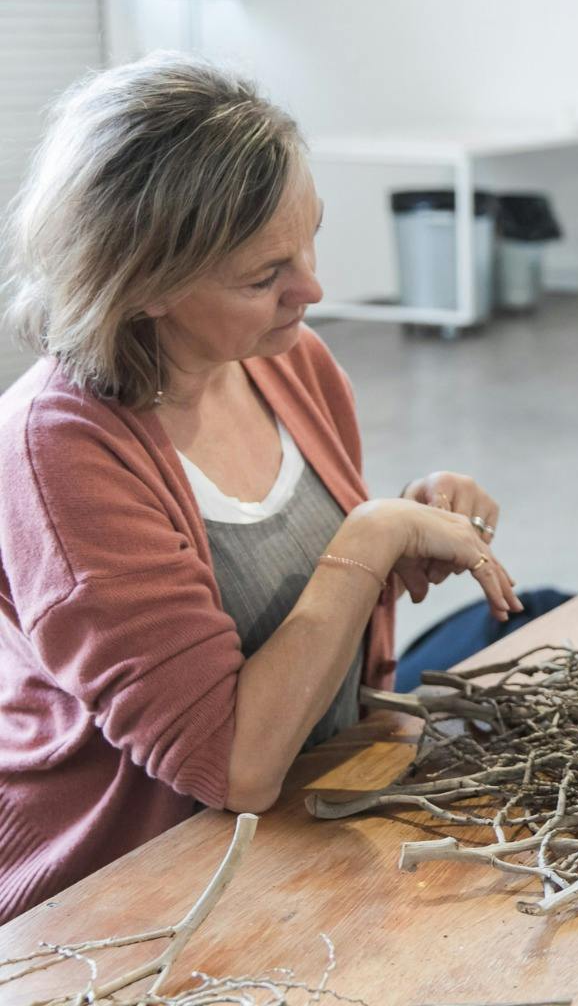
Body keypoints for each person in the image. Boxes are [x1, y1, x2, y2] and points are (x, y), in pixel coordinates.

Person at [0, 53, 546, 923]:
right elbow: (235, 767)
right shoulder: (59, 452)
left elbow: (305, 612)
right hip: (127, 895)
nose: (313, 288)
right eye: (263, 276)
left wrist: (410, 529)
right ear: (142, 284)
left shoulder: (288, 362)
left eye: (310, 238)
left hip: (300, 825)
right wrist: (371, 535)